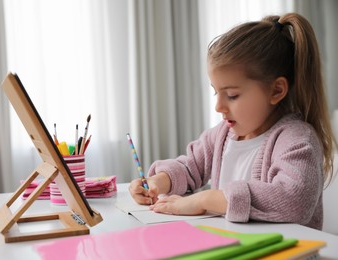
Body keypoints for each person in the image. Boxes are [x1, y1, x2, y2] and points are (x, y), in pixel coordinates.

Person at [129, 13, 337, 230]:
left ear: (276, 90)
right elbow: (190, 167)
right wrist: (158, 182)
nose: (218, 106)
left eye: (232, 95)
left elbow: (294, 201)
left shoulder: (296, 139)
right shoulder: (221, 135)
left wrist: (203, 200)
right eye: (216, 92)